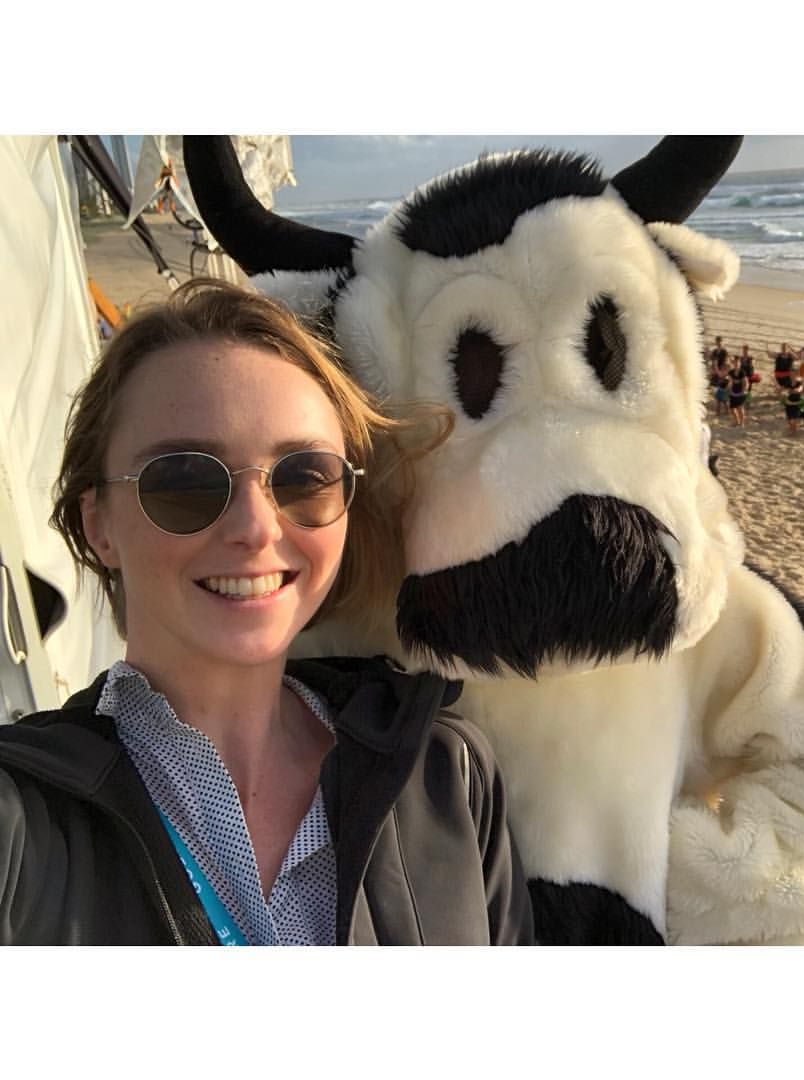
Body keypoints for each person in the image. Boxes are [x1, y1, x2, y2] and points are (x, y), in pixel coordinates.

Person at [0, 280, 533, 945]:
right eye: (185, 482)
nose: (256, 527)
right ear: (98, 524)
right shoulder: (19, 825)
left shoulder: (446, 778)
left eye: (304, 478)